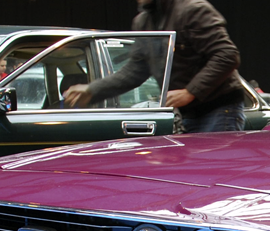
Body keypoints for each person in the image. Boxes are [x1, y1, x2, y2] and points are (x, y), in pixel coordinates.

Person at [63, 0, 245, 132]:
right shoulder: (143, 21)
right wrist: (92, 90)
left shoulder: (193, 10)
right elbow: (134, 71)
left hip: (220, 108)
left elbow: (227, 55)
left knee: (211, 172)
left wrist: (190, 92)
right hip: (190, 113)